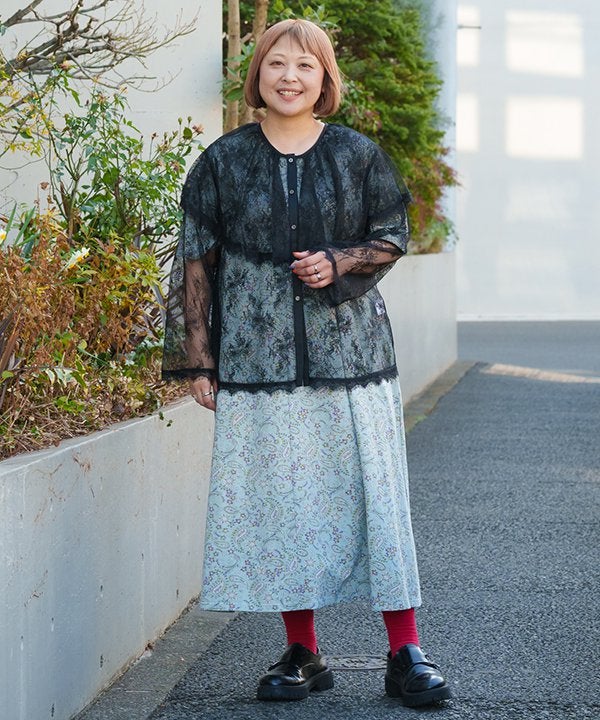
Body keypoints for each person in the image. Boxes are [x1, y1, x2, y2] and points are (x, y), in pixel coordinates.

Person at [162, 18, 451, 708]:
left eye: (305, 66)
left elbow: (392, 234)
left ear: (325, 80)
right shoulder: (222, 161)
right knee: (285, 505)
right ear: (257, 75)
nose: (289, 77)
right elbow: (195, 262)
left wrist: (339, 260)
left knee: (376, 499)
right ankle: (303, 651)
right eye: (276, 64)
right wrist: (198, 360)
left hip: (352, 359)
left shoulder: (356, 154)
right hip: (257, 365)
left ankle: (405, 649)